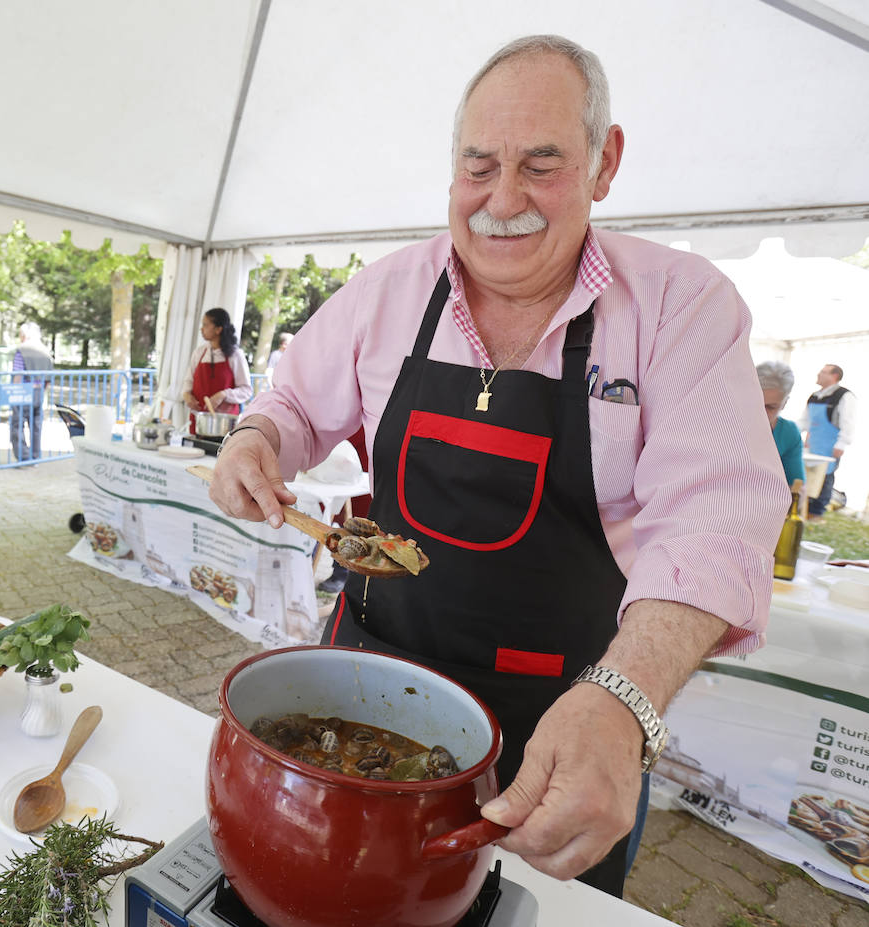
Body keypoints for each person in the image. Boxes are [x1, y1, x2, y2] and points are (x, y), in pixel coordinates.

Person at [207, 35, 786, 895]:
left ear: (604, 161)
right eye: (478, 166)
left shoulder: (679, 304)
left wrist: (626, 701)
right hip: (363, 682)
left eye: (540, 165)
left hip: (565, 722)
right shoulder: (388, 290)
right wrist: (254, 440)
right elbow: (289, 402)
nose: (502, 200)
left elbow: (718, 514)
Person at [179, 307, 253, 434]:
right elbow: (188, 382)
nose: (201, 329)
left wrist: (223, 395)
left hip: (223, 424)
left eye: (205, 325)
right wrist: (187, 395)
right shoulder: (199, 353)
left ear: (218, 329)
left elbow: (246, 391)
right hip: (199, 421)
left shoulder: (235, 355)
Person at [799, 363, 855, 518]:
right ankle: (804, 507)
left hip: (830, 446)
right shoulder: (815, 396)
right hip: (813, 443)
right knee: (808, 477)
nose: (819, 374)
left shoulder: (844, 396)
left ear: (834, 376)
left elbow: (848, 422)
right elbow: (805, 421)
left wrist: (842, 444)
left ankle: (817, 512)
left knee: (825, 477)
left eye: (823, 372)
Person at [10, 321, 54, 462]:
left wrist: (14, 393)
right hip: (39, 392)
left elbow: (18, 373)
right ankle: (35, 456)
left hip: (23, 392)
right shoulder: (45, 351)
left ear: (25, 335)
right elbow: (49, 376)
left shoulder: (22, 350)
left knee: (17, 425)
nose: (20, 337)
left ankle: (23, 456)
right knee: (36, 426)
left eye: (20, 335)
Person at [756, 360, 805, 487]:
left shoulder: (789, 433)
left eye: (771, 407)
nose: (761, 413)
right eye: (756, 404)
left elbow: (796, 484)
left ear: (784, 403)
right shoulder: (723, 425)